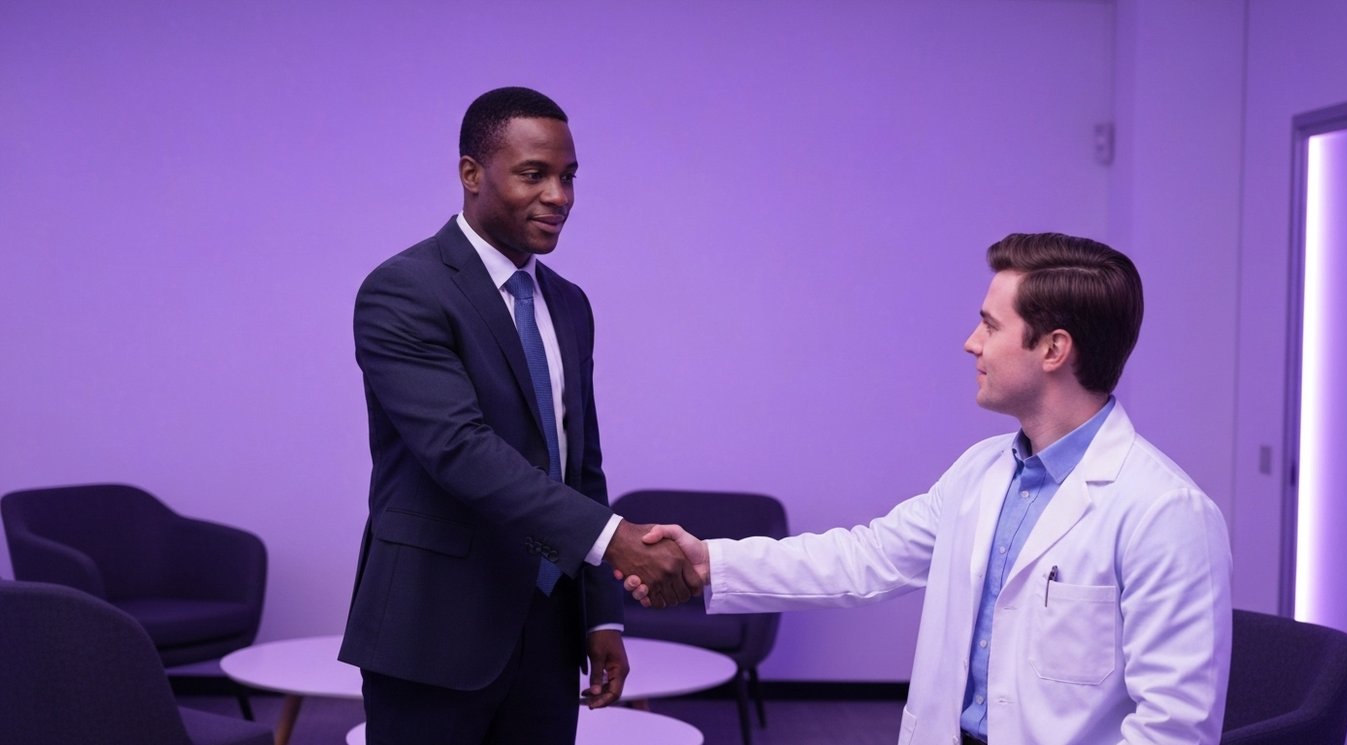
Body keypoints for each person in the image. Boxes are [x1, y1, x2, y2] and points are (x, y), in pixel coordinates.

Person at [623, 233, 1233, 745]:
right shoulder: (982, 471)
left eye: (990, 325)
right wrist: (708, 562)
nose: (972, 342)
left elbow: (1173, 729)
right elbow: (864, 560)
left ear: (1053, 349)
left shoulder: (1166, 514)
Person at [340, 86, 698, 745]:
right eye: (534, 174)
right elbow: (460, 449)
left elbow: (577, 465)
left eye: (568, 177)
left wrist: (601, 615)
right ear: (471, 174)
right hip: (433, 629)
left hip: (547, 634)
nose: (558, 195)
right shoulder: (404, 289)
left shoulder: (569, 303)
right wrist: (613, 538)